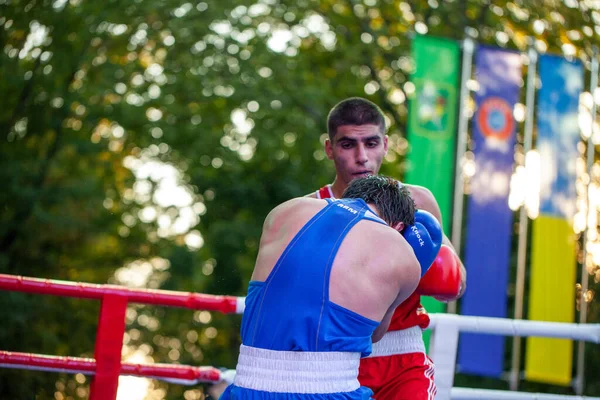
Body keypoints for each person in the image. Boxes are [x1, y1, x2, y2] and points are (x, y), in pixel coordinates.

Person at [220, 175, 443, 400]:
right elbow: (375, 336)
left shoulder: (284, 212)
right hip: (328, 389)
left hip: (246, 384)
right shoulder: (400, 253)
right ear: (399, 226)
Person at [309, 97, 467, 399]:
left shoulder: (418, 202)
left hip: (403, 362)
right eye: (347, 145)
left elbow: (454, 283)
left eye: (371, 143)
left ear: (385, 144)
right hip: (332, 362)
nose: (361, 157)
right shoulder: (310, 210)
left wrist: (429, 261)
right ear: (330, 149)